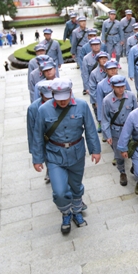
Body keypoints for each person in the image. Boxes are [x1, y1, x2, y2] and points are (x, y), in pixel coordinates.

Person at [32, 78, 101, 234]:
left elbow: (90, 129)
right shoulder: (44, 110)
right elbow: (37, 135)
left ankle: (76, 211)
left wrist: (95, 150)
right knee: (59, 191)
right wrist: (37, 159)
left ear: (70, 92)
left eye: (65, 97)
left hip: (76, 153)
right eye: (59, 98)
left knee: (76, 186)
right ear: (53, 94)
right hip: (55, 155)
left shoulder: (82, 106)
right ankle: (65, 212)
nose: (62, 101)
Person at [101, 75, 138, 186]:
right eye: (118, 87)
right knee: (119, 155)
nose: (121, 89)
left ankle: (135, 166)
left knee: (134, 150)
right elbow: (105, 119)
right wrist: (108, 135)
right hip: (116, 131)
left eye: (122, 86)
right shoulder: (107, 100)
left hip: (130, 130)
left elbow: (137, 113)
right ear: (112, 86)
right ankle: (122, 172)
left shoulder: (131, 96)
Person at [96, 60, 132, 143]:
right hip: (111, 113)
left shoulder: (124, 80)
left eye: (115, 68)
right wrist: (101, 121)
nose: (113, 71)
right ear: (106, 70)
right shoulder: (101, 85)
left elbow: (129, 95)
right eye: (110, 69)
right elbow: (100, 104)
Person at [27, 80, 53, 183]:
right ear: (41, 94)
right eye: (47, 98)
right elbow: (31, 132)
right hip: (45, 140)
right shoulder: (33, 109)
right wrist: (36, 156)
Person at [88, 51, 109, 133]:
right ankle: (100, 123)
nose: (104, 60)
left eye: (105, 58)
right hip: (98, 97)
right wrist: (96, 101)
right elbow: (92, 88)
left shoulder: (111, 70)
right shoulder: (94, 73)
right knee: (99, 112)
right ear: (98, 60)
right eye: (101, 58)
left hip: (108, 96)